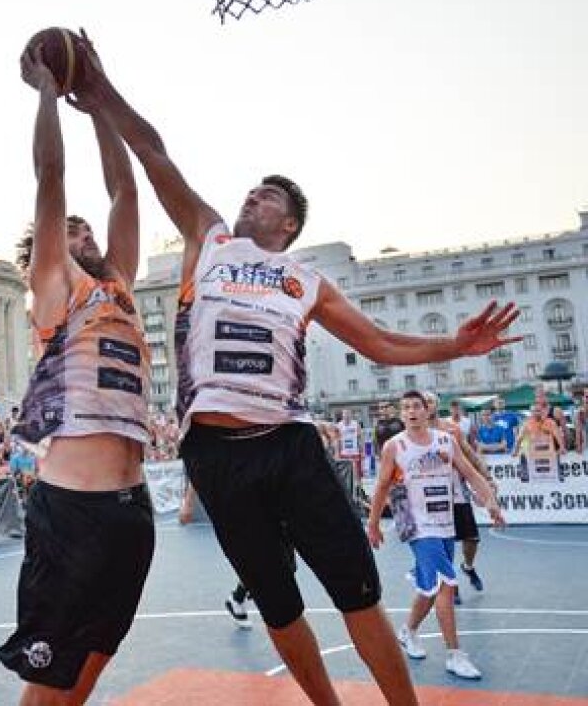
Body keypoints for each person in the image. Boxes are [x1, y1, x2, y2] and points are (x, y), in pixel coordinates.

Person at [91, 43, 520, 705]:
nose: (253, 194)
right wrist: (100, 88)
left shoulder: (305, 279)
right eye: (253, 189)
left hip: (288, 444)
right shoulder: (208, 238)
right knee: (277, 602)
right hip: (215, 452)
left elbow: (379, 342)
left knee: (357, 592)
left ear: (287, 225)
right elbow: (152, 153)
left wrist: (453, 347)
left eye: (268, 195)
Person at [0, 34, 155, 706]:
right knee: (50, 678)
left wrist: (98, 104)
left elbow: (125, 189)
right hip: (71, 509)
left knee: (91, 664)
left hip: (131, 509)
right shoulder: (56, 291)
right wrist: (46, 92)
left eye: (88, 230)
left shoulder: (118, 285)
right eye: (72, 231)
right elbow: (51, 179)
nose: (85, 235)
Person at [368, 391, 505, 680]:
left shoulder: (445, 440)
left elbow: (471, 473)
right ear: (402, 414)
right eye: (406, 408)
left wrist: (491, 502)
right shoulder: (395, 446)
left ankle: (408, 631)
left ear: (426, 411)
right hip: (416, 525)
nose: (411, 411)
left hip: (445, 522)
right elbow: (381, 486)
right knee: (445, 584)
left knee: (429, 588)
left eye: (416, 406)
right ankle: (455, 655)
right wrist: (373, 523)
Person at [422, 393, 492, 600]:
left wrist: (487, 478)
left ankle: (468, 567)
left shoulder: (451, 429)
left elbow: (470, 455)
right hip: (431, 495)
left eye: (430, 401)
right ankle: (451, 583)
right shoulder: (415, 433)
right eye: (423, 402)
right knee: (444, 541)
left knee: (471, 538)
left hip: (456, 490)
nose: (427, 405)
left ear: (436, 405)